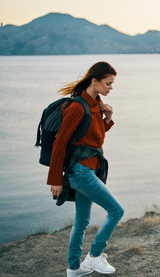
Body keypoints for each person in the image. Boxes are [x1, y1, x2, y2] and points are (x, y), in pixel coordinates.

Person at [47, 61, 124, 276]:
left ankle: (74, 268)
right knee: (116, 211)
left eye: (112, 84)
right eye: (108, 83)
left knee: (81, 223)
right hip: (80, 172)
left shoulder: (95, 106)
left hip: (87, 170)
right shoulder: (77, 107)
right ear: (95, 80)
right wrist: (54, 179)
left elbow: (94, 139)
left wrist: (107, 119)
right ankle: (95, 256)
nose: (110, 88)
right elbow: (59, 144)